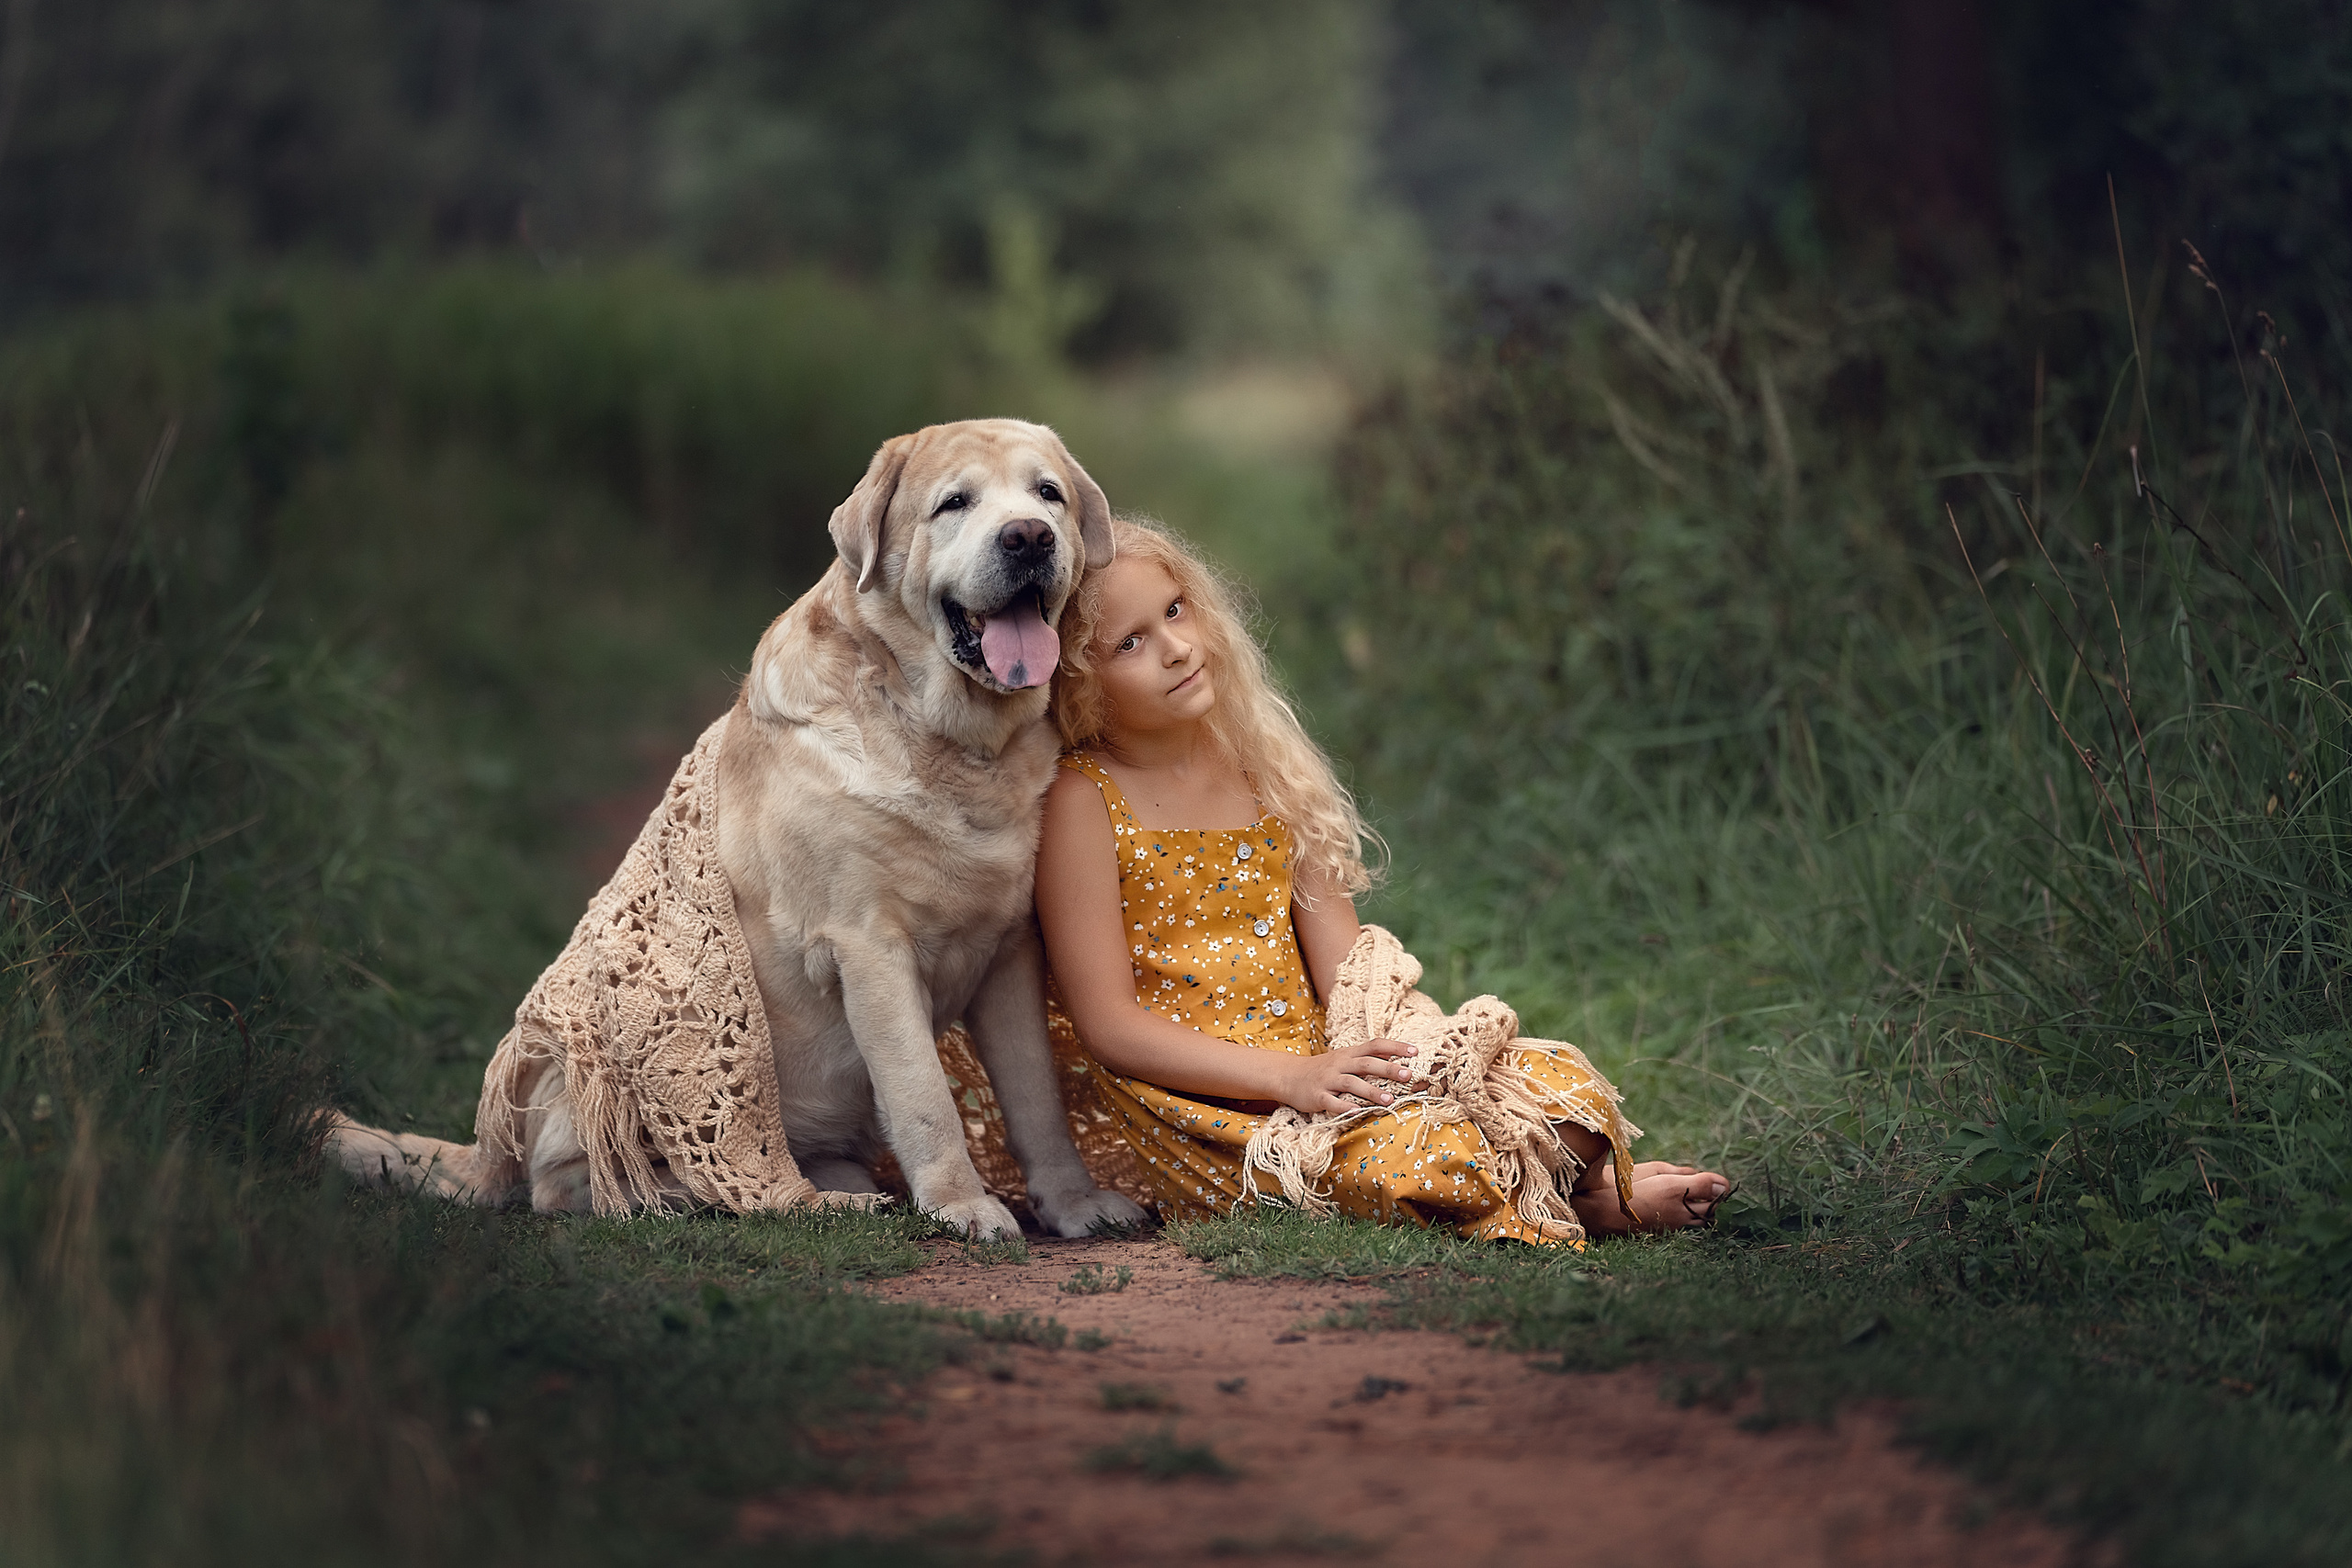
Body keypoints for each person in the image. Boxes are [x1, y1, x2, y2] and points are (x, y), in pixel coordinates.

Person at [1033, 518, 1732, 1243]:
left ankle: (1559, 1179)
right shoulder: (1081, 799)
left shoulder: (1256, 766)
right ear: (1079, 681)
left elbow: (1350, 972)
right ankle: (1588, 1199)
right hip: (1214, 1113)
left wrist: (1421, 1058)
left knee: (1563, 1086)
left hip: (1330, 1069)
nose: (1176, 648)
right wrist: (1286, 1080)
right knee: (1430, 1158)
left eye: (1175, 610)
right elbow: (1109, 1026)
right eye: (1130, 643)